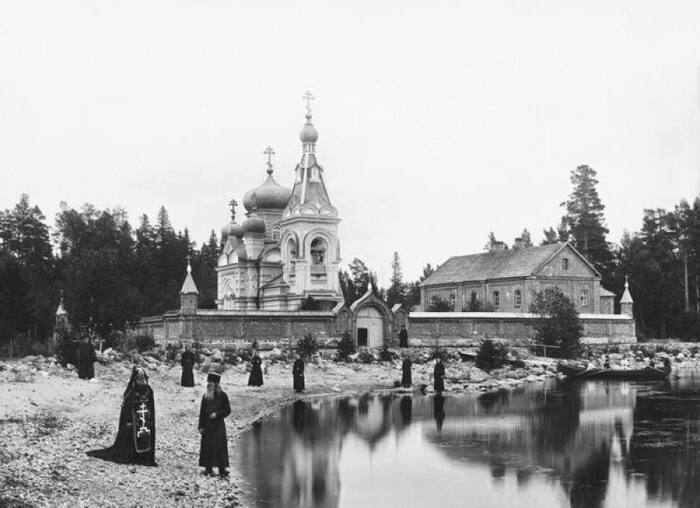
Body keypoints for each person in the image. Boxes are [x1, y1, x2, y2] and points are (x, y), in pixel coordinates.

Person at [87, 366, 157, 466]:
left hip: (145, 421)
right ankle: (132, 456)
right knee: (131, 438)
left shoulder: (149, 391)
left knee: (144, 437)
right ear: (135, 379)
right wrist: (128, 422)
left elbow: (151, 407)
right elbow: (126, 410)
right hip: (133, 422)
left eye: (144, 378)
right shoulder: (131, 392)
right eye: (140, 378)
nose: (142, 380)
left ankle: (145, 457)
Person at [199, 373, 231, 478]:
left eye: (210, 383)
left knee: (219, 447)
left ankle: (222, 469)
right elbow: (202, 412)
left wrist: (217, 414)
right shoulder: (205, 396)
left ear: (216, 384)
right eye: (208, 382)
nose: (208, 385)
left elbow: (227, 410)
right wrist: (200, 426)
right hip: (207, 425)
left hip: (218, 425)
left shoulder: (223, 395)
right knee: (207, 446)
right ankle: (208, 468)